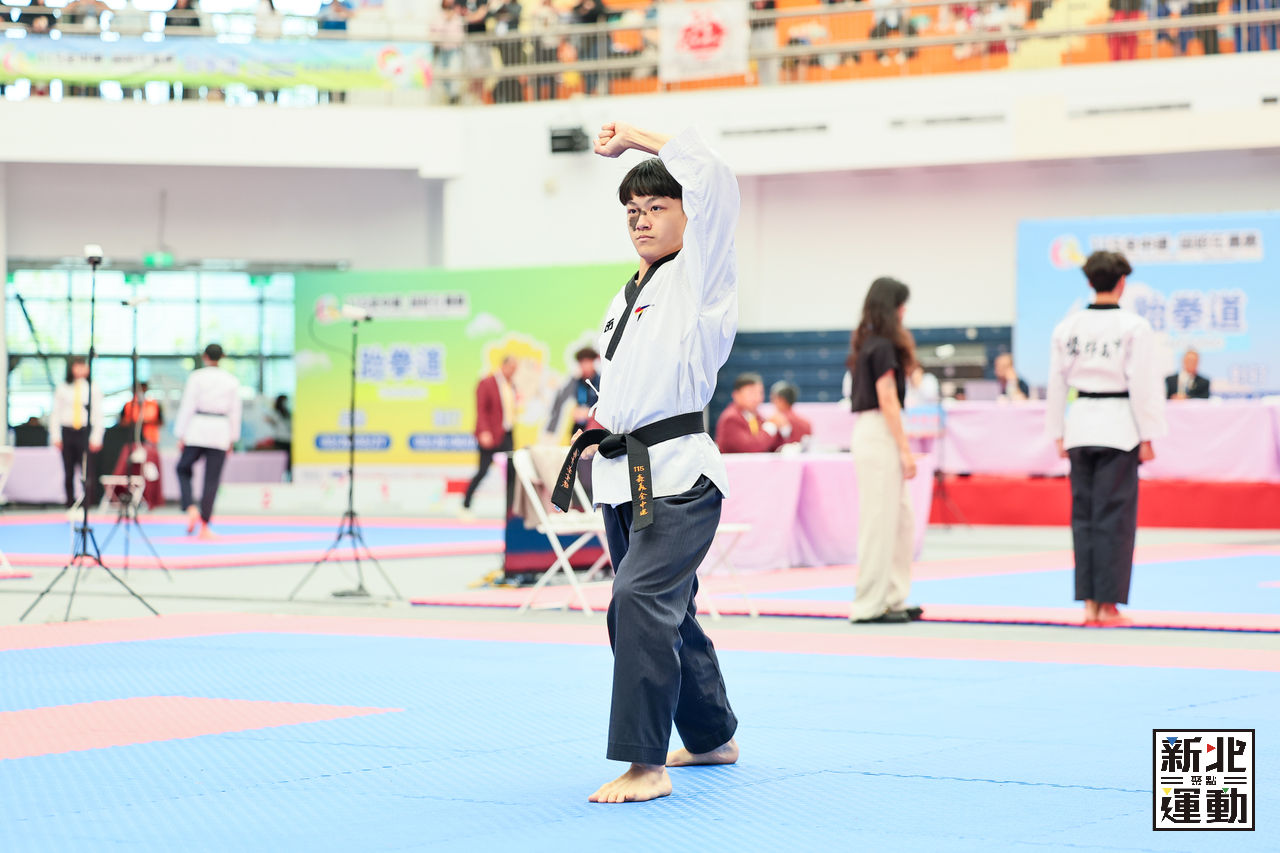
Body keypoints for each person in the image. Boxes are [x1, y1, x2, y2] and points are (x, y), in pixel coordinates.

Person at [550, 122, 740, 804]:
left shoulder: (701, 276)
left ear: (688, 213)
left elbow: (714, 177)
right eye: (632, 209)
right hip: (626, 476)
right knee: (666, 611)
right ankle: (712, 733)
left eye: (658, 206)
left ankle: (645, 763)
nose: (642, 219)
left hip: (681, 478)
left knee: (636, 600)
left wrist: (637, 139)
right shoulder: (624, 296)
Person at [1046, 251, 1167, 626]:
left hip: (1080, 425)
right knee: (1114, 517)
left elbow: (1055, 385)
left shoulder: (1067, 327)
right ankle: (1108, 606)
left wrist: (1057, 431)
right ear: (1122, 283)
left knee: (1083, 517)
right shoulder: (1134, 327)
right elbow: (1143, 385)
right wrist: (1149, 435)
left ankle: (1089, 605)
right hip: (1119, 428)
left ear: (1088, 282)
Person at [846, 278, 922, 624]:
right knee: (879, 522)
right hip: (878, 431)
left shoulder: (872, 343)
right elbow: (888, 399)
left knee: (901, 520)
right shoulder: (880, 346)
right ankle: (868, 604)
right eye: (901, 305)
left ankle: (892, 595)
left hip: (877, 431)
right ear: (891, 309)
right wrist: (905, 451)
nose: (905, 311)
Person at [174, 344, 243, 540]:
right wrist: (233, 438)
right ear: (223, 356)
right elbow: (235, 411)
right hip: (221, 431)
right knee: (212, 479)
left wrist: (181, 433)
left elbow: (188, 405)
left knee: (182, 468)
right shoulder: (231, 380)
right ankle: (204, 525)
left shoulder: (197, 377)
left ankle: (190, 507)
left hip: (197, 428)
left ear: (205, 356)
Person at [463, 355, 517, 512]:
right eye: (511, 368)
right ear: (503, 366)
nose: (513, 372)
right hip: (491, 434)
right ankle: (466, 503)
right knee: (483, 470)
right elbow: (481, 410)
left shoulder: (511, 385)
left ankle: (511, 510)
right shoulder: (487, 383)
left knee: (512, 473)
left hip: (507, 433)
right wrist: (484, 431)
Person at [49, 356, 104, 508]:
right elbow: (55, 413)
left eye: (83, 366)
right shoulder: (63, 388)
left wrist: (97, 437)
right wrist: (55, 436)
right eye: (77, 366)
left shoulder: (93, 388)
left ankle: (87, 503)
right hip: (67, 432)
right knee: (68, 470)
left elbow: (98, 414)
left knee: (87, 470)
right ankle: (70, 503)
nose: (80, 369)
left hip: (85, 432)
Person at [715, 373, 784, 454]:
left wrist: (782, 428)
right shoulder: (730, 418)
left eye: (760, 393)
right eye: (751, 393)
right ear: (736, 395)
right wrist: (771, 426)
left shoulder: (757, 416)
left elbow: (771, 445)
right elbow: (750, 448)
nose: (757, 398)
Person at [546, 347, 600, 440]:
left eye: (587, 362)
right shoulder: (576, 381)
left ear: (593, 362)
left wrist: (591, 413)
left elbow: (608, 406)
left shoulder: (601, 381)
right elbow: (561, 400)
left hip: (596, 427)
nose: (584, 366)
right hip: (579, 427)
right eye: (581, 363)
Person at [119, 381, 164, 446]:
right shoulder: (128, 405)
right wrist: (135, 423)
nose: (142, 392)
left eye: (144, 390)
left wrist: (146, 422)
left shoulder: (154, 404)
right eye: (140, 390)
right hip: (132, 440)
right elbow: (122, 423)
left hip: (150, 440)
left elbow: (160, 422)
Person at [770, 380, 812, 447]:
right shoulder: (806, 424)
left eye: (773, 398)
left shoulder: (774, 421)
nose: (772, 402)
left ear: (780, 400)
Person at [268, 394, 293, 475]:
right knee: (281, 461)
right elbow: (268, 420)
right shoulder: (275, 412)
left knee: (290, 461)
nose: (286, 403)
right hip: (280, 439)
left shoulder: (288, 412)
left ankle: (288, 475)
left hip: (289, 439)